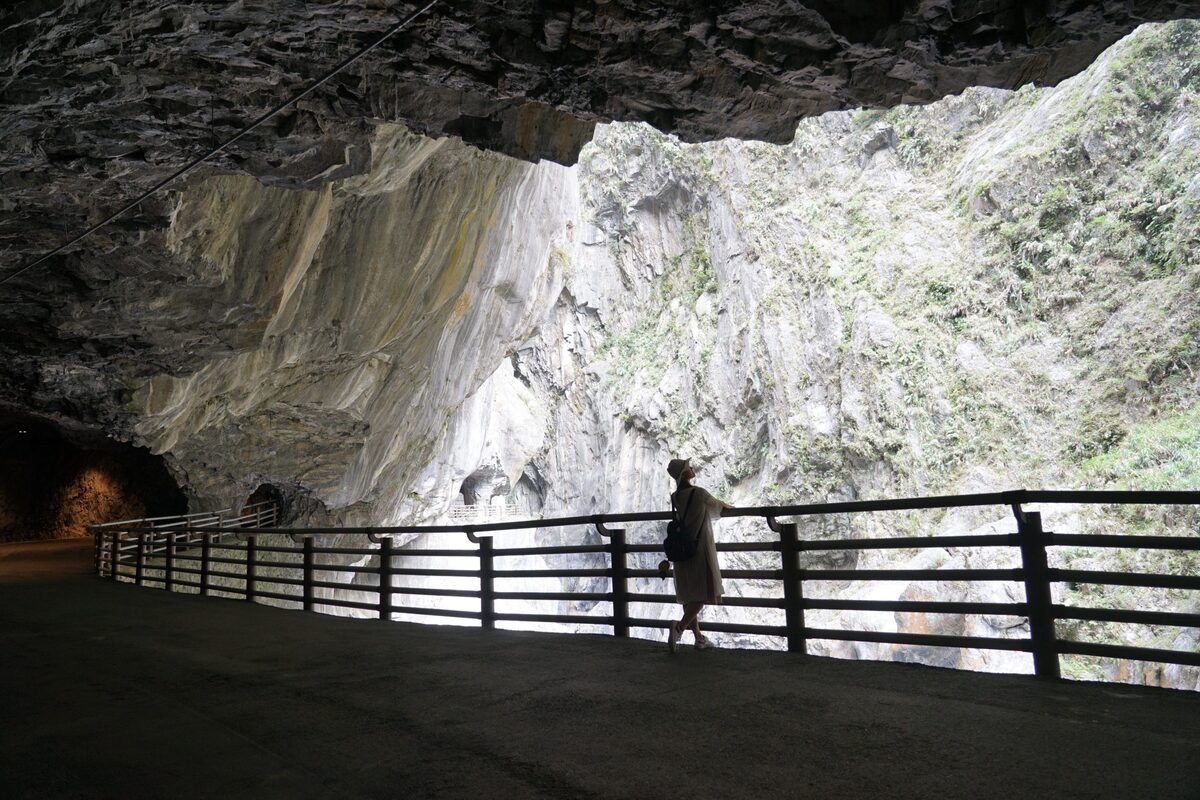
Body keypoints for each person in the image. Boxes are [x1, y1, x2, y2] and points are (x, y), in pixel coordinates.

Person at [665, 457, 732, 653]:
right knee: (703, 593)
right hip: (699, 548)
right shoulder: (699, 493)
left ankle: (699, 638)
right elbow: (717, 508)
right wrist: (728, 506)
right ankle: (678, 628)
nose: (692, 468)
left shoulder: (675, 497)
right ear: (685, 474)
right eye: (688, 468)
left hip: (682, 549)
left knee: (689, 594)